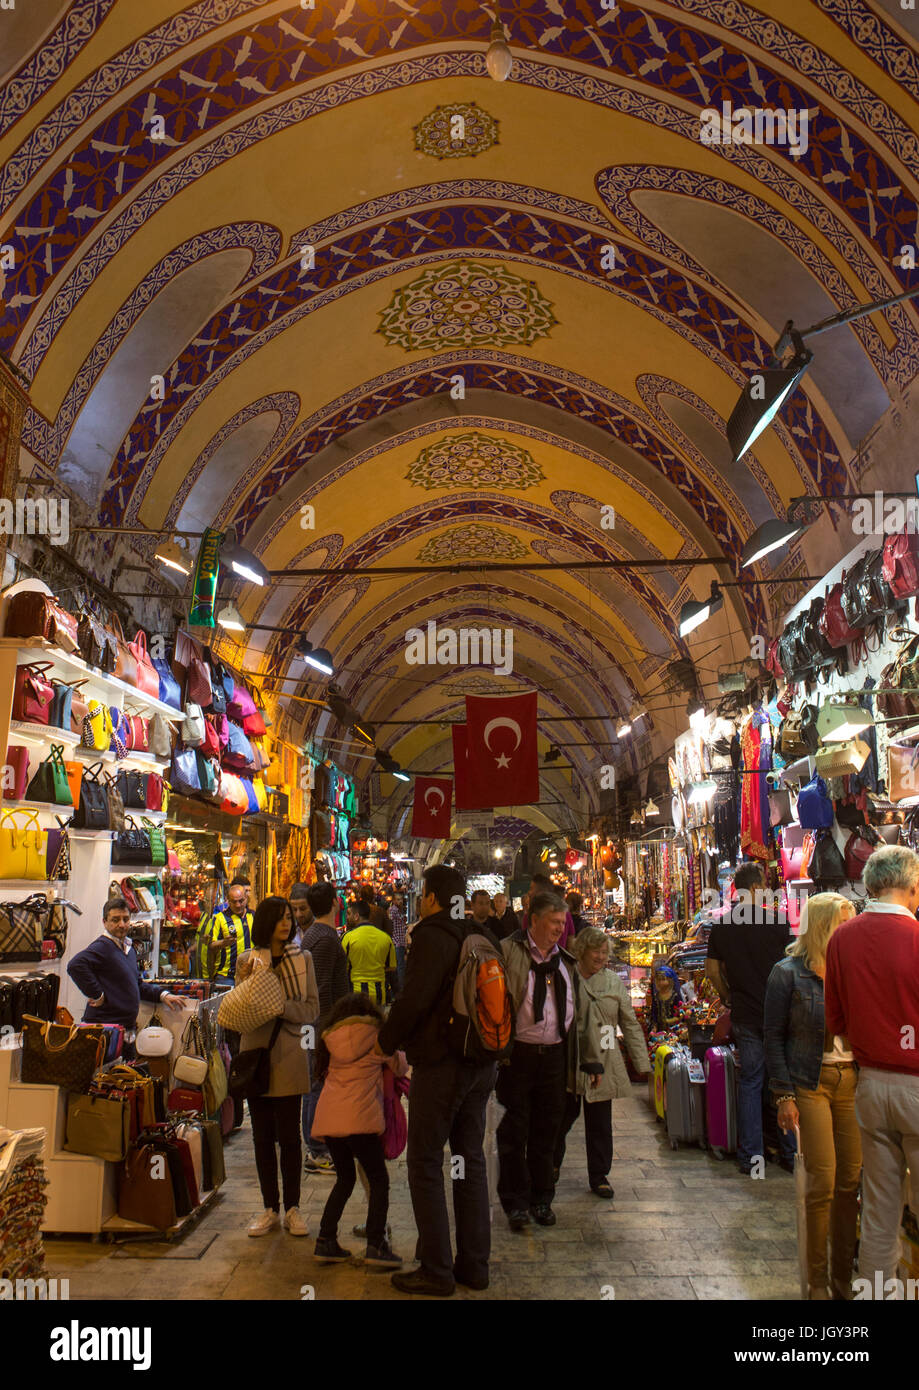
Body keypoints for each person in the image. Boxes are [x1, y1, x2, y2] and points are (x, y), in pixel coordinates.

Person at [376, 864, 498, 1297]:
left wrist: (386, 1042)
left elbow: (414, 1000)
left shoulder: (432, 935)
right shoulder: (479, 934)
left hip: (443, 1066)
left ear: (430, 897)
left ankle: (436, 1269)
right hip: (480, 1065)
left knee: (425, 1162)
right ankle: (474, 1266)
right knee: (469, 1160)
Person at [824, 846, 919, 1295]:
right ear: (913, 888)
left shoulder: (842, 938)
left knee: (880, 1210)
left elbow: (836, 1020)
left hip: (869, 1085)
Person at [764, 893, 860, 1301]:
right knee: (823, 1179)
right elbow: (773, 1036)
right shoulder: (787, 974)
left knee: (850, 1181)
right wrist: (784, 1093)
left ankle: (843, 1277)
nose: (850, 931)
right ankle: (817, 1281)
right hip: (811, 1080)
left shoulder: (854, 970)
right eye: (843, 923)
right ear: (823, 926)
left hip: (851, 1080)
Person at [498, 890, 581, 1231]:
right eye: (554, 922)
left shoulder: (565, 962)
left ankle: (542, 1198)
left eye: (563, 923)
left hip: (555, 1057)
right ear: (533, 921)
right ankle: (516, 1203)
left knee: (548, 1130)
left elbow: (578, 1015)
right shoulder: (508, 953)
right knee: (515, 1132)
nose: (559, 930)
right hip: (517, 1057)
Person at [236, 897, 319, 1238]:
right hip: (255, 1056)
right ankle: (270, 1206)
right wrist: (252, 986)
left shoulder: (304, 959)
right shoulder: (247, 960)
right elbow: (240, 1009)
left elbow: (311, 1009)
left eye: (290, 918)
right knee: (262, 1138)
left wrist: (282, 1007)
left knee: (289, 1137)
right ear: (267, 922)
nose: (287, 923)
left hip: (288, 1054)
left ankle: (293, 1209)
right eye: (281, 918)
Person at [705, 861, 795, 1174]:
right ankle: (790, 1155)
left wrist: (728, 995)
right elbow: (791, 969)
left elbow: (712, 971)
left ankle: (752, 1157)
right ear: (756, 888)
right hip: (778, 1015)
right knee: (782, 1083)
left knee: (751, 1082)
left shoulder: (722, 926)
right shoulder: (779, 923)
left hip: (745, 1013)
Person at [312, 992, 407, 1268]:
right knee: (379, 1180)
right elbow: (400, 1067)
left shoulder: (330, 1038)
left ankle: (325, 1240)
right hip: (360, 1120)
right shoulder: (377, 1036)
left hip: (331, 1121)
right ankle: (376, 1244)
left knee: (344, 1178)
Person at [554, 927, 650, 1197]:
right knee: (562, 1117)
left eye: (604, 952)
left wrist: (642, 1063)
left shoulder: (612, 982)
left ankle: (600, 1175)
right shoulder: (568, 978)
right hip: (572, 1057)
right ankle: (549, 1167)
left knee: (600, 1121)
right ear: (581, 952)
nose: (601, 956)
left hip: (604, 1056)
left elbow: (629, 1022)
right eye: (595, 951)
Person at [68, 898, 183, 1057]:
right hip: (105, 1030)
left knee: (125, 1075)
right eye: (115, 920)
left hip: (126, 1029)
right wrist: (97, 994)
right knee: (105, 1077)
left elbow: (137, 985)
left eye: (125, 919)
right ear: (104, 921)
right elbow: (75, 965)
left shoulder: (128, 949)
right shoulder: (102, 947)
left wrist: (163, 995)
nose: (121, 924)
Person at [300, 882, 351, 1174]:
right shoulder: (325, 940)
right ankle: (317, 1150)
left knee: (315, 1084)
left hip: (319, 1025)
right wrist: (330, 1029)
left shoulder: (316, 936)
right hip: (321, 1026)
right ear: (335, 903)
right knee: (316, 1085)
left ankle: (320, 1143)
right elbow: (321, 989)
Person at [341, 902, 396, 1005]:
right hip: (380, 994)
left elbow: (343, 967)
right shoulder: (385, 938)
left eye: (348, 914)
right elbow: (391, 967)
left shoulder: (347, 938)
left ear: (356, 916)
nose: (347, 917)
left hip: (355, 994)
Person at [200, 881, 253, 983]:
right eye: (234, 902)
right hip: (226, 976)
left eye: (241, 901)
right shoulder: (220, 918)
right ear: (228, 901)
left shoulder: (253, 916)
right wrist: (224, 943)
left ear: (246, 899)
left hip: (249, 975)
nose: (238, 905)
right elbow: (211, 945)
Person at [522, 873, 575, 949]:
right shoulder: (566, 914)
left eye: (531, 888)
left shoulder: (529, 916)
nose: (529, 893)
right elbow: (571, 940)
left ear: (540, 893)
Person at [649, 965, 684, 1030]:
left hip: (674, 1030)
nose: (661, 982)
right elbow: (654, 1013)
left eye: (663, 979)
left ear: (670, 980)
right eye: (659, 980)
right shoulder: (656, 996)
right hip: (659, 1032)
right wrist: (654, 1026)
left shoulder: (675, 995)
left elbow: (681, 1012)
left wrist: (673, 1020)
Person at [388, 891, 408, 987]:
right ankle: (400, 987)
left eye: (401, 900)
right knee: (400, 966)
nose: (400, 902)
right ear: (394, 900)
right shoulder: (393, 910)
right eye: (398, 900)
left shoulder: (399, 910)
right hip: (397, 941)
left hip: (400, 941)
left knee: (400, 966)